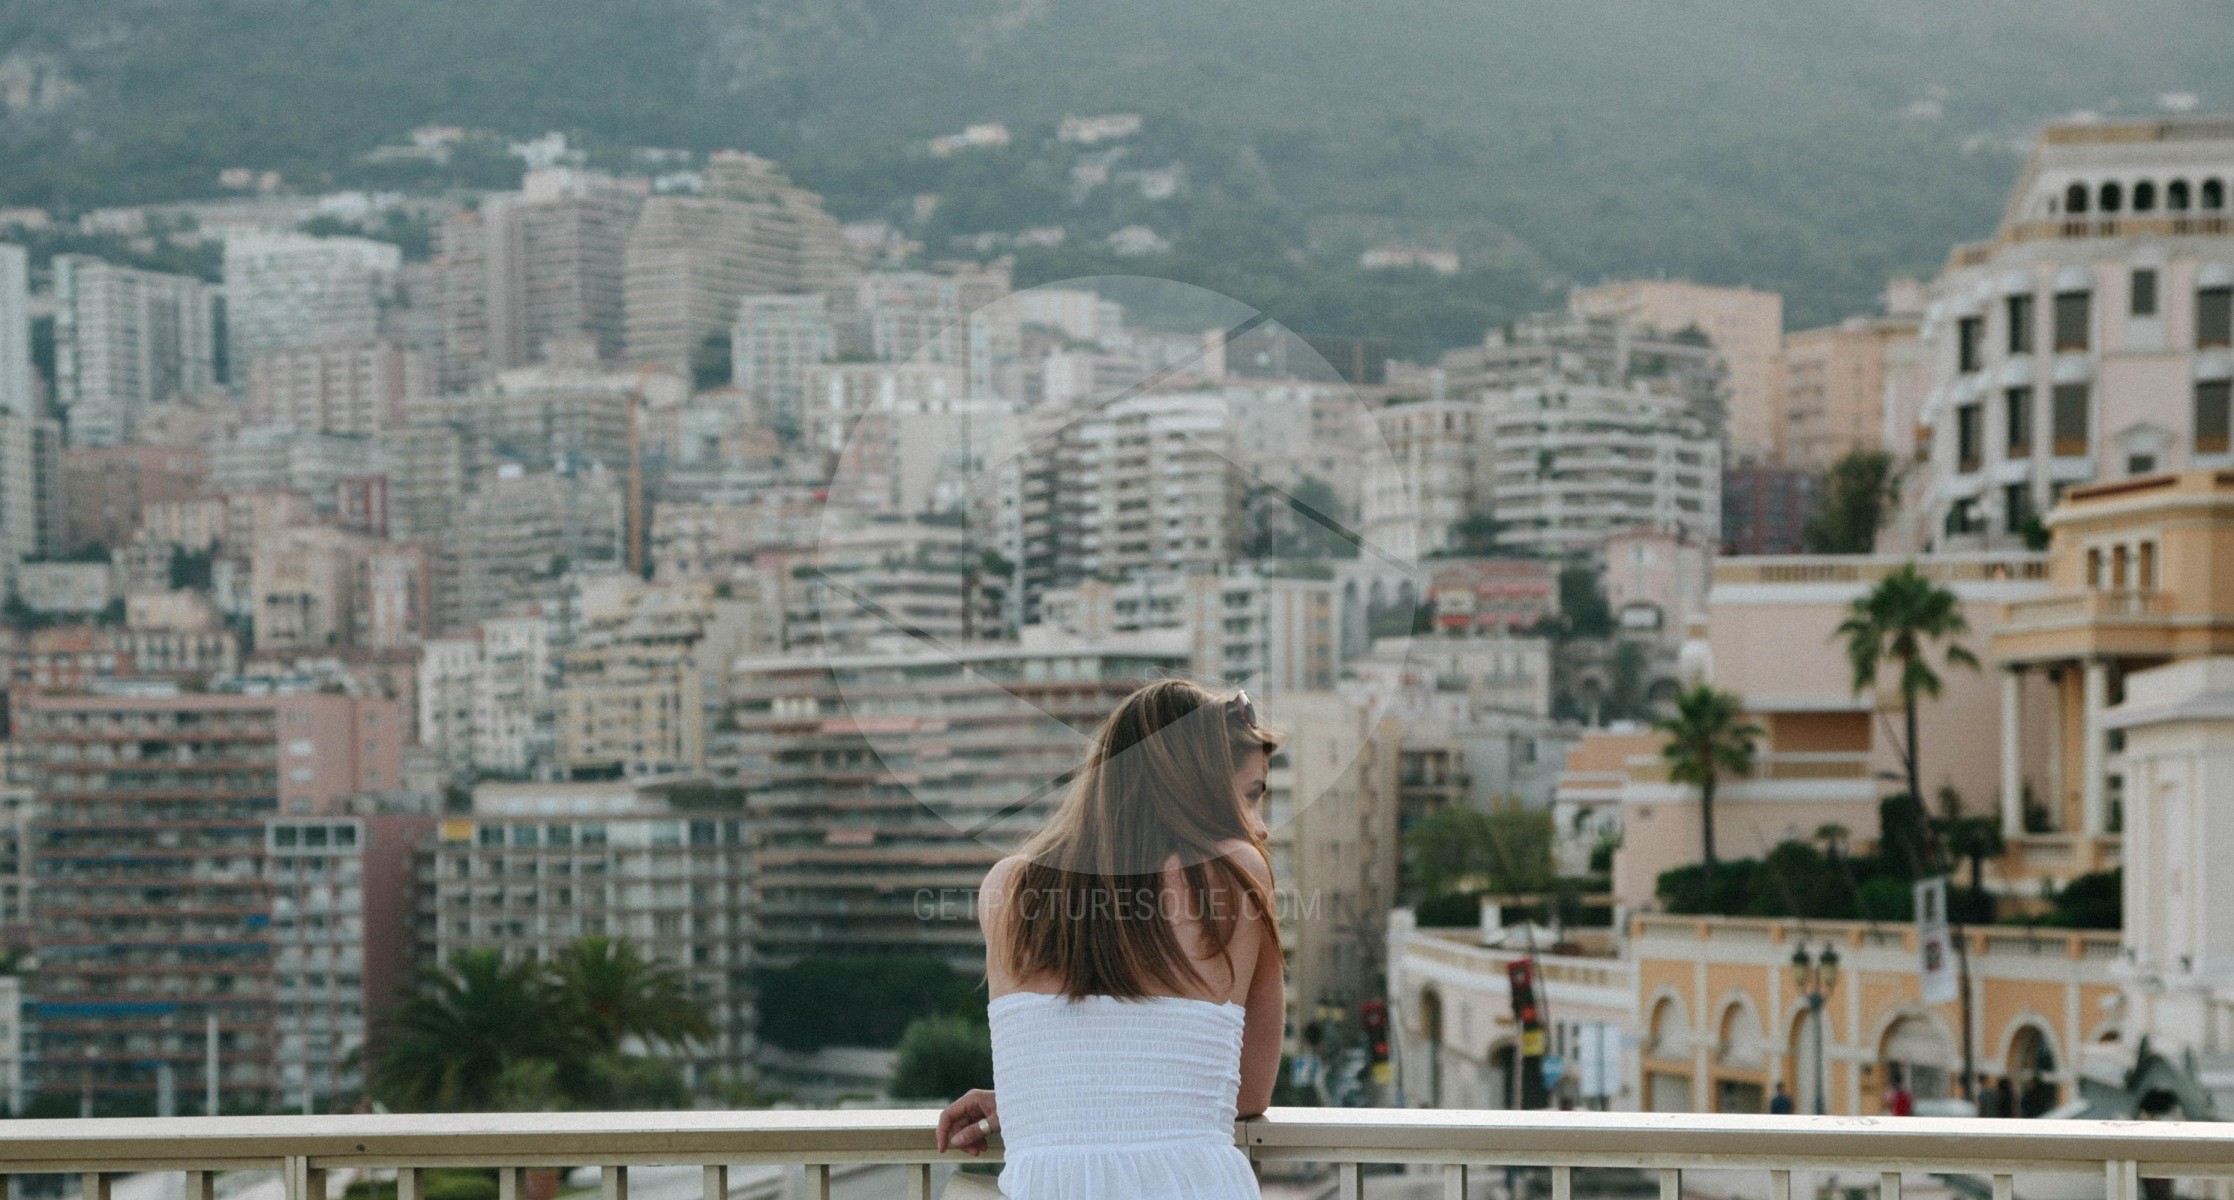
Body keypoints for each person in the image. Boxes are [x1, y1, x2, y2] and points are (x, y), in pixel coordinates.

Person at [936, 680, 1285, 1200]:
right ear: (1199, 785)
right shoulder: (1236, 873)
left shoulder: (1007, 887)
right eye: (1252, 795)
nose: (1261, 826)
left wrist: (1040, 1101)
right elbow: (1250, 1091)